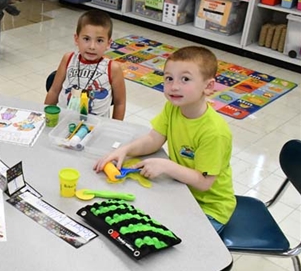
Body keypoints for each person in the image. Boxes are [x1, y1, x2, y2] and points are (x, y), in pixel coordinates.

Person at [94, 46, 236, 233]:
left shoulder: (214, 132)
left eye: (185, 79)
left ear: (208, 86)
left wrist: (166, 166)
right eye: (169, 78)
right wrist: (124, 150)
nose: (174, 86)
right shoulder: (174, 108)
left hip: (209, 209)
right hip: (180, 191)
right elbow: (154, 139)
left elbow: (204, 182)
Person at [44, 9, 126, 120]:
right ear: (76, 39)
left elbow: (120, 103)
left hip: (96, 128)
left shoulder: (113, 68)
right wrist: (45, 117)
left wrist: (114, 130)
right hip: (62, 121)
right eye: (86, 39)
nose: (92, 46)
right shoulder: (68, 59)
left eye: (100, 41)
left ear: (108, 43)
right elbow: (54, 91)